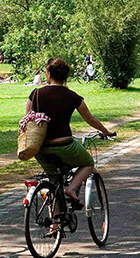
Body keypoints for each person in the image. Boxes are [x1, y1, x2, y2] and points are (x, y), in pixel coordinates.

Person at [27, 58, 114, 209]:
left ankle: (54, 225)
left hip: (41, 148)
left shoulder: (35, 94)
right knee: (88, 163)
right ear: (66, 77)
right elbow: (90, 118)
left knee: (55, 184)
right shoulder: (72, 96)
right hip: (65, 146)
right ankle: (72, 188)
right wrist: (105, 131)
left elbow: (28, 119)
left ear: (48, 74)